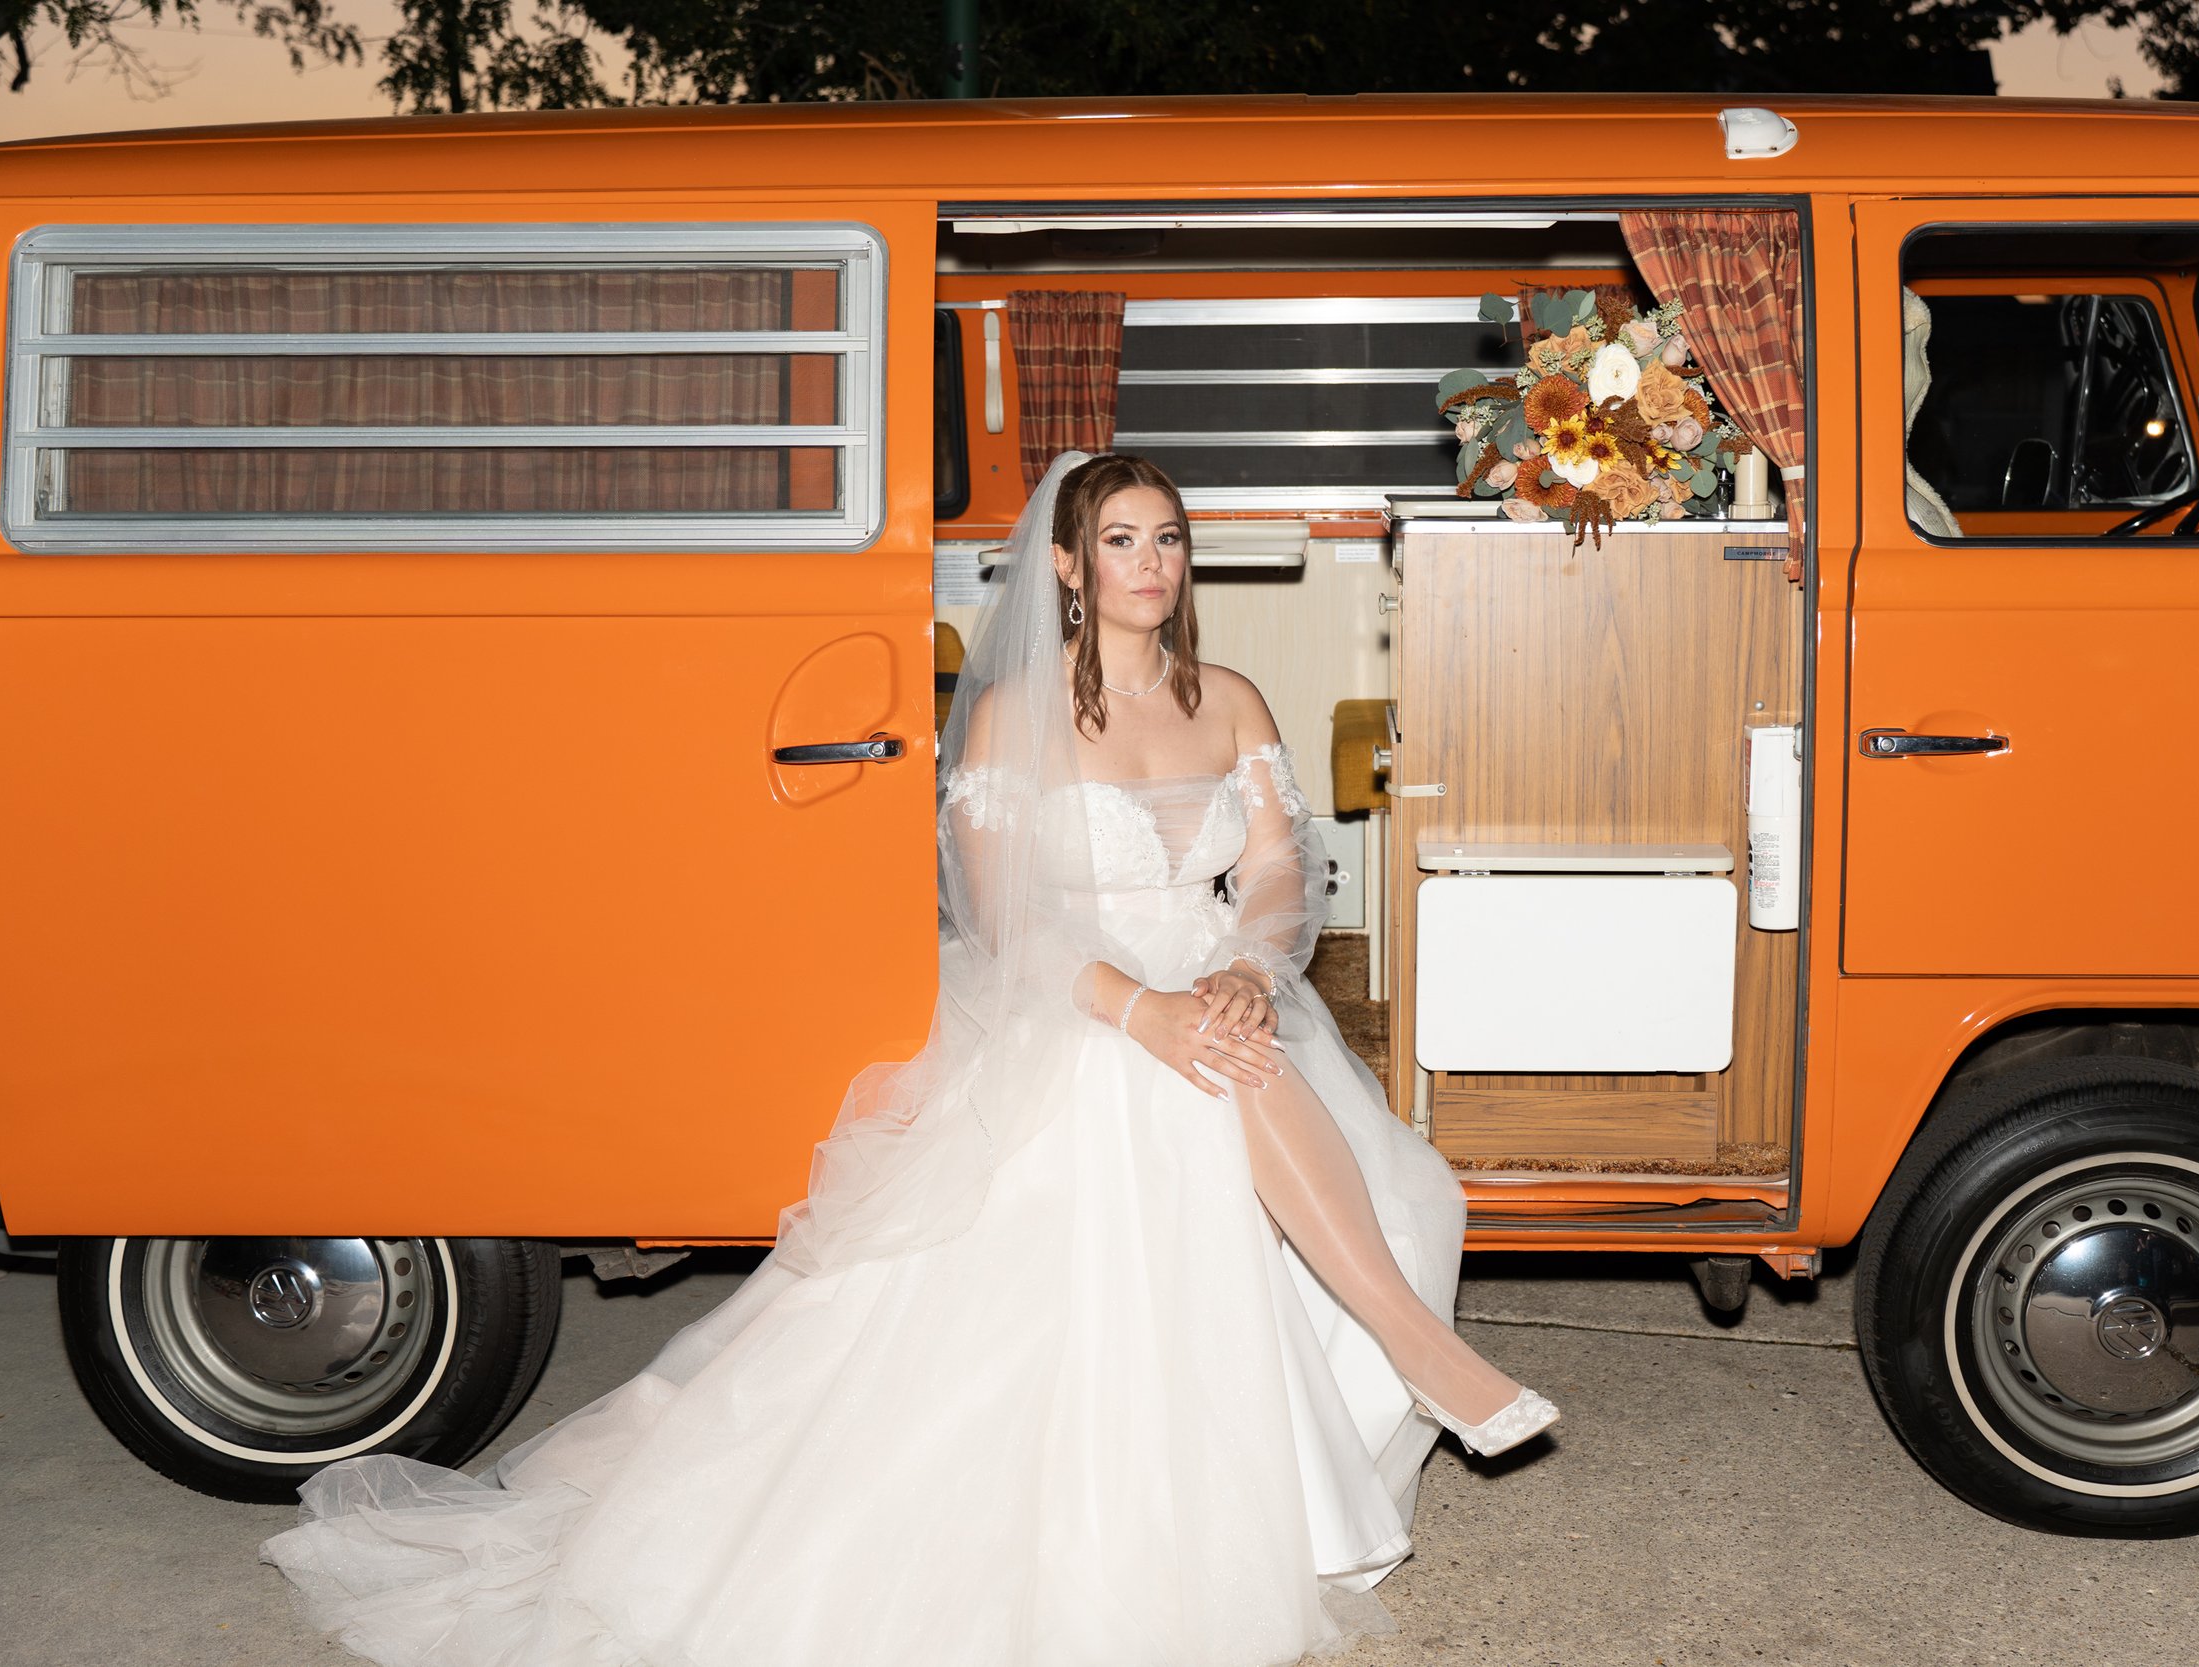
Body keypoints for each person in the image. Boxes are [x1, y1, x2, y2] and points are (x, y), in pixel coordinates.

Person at [260, 450, 1555, 1667]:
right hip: (1074, 1000)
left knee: (1259, 1072)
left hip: (1212, 981)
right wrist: (1145, 1010)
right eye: (1120, 541)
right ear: (1066, 565)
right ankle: (1415, 1348)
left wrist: (1245, 970)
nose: (1152, 564)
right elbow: (1009, 921)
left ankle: (1390, 1345)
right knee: (1193, 1078)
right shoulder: (1015, 720)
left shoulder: (1229, 700)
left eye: (1168, 539)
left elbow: (1279, 867)